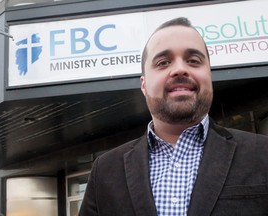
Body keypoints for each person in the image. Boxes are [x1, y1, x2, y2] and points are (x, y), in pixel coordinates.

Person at [79, 17, 268, 216]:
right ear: (143, 85)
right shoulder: (105, 171)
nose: (179, 69)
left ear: (209, 75)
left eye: (194, 61)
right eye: (163, 62)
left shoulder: (263, 154)